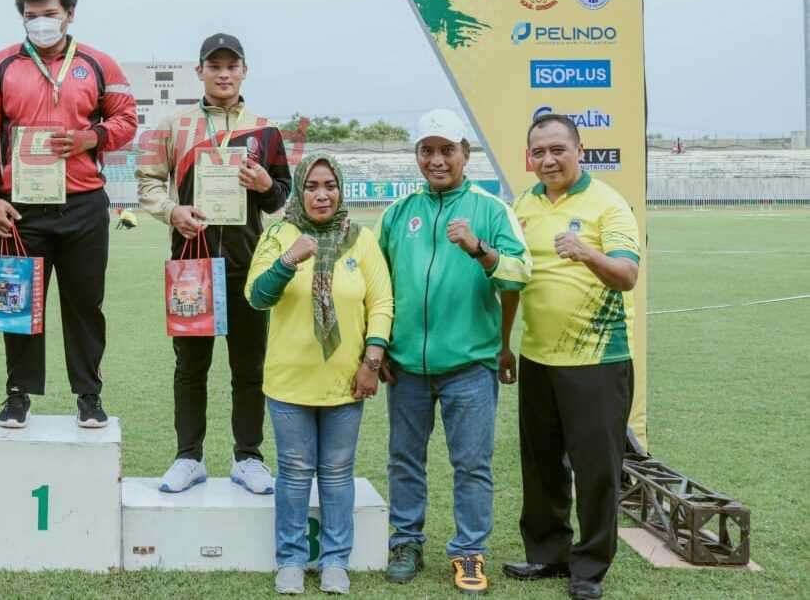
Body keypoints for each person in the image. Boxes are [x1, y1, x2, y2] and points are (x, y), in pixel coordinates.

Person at [0, 0, 138, 429]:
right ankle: (18, 394)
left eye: (50, 14)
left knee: (85, 304)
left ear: (69, 15)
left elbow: (127, 119)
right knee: (16, 301)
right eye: (31, 16)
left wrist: (91, 137)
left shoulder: (99, 64)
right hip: (18, 208)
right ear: (21, 18)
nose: (40, 23)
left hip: (83, 204)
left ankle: (89, 394)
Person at [376, 109, 531, 595]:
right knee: (404, 458)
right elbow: (376, 287)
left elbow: (518, 274)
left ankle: (469, 553)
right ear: (418, 156)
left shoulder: (490, 209)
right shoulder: (398, 213)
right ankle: (406, 542)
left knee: (472, 464)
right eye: (428, 150)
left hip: (469, 365)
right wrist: (378, 349)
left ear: (466, 153)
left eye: (447, 150)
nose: (437, 160)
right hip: (406, 367)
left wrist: (477, 247)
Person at [136, 33, 290, 496]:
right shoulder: (172, 124)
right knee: (191, 367)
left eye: (232, 65)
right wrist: (172, 212)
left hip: (249, 265)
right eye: (214, 65)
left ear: (244, 71)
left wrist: (264, 183)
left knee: (250, 367)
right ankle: (189, 457)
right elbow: (147, 183)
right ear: (199, 70)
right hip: (191, 264)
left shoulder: (265, 130)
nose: (224, 73)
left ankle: (249, 458)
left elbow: (282, 198)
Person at [502, 113, 640, 600]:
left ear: (579, 150)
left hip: (597, 363)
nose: (547, 159)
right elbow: (514, 278)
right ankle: (546, 554)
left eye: (557, 149)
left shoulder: (609, 204)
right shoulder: (524, 203)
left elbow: (626, 275)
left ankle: (590, 566)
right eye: (538, 152)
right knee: (541, 463)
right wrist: (504, 344)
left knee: (596, 468)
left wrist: (588, 254)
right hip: (538, 357)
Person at [247, 152, 392, 596]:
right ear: (298, 191)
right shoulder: (278, 235)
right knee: (293, 471)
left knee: (336, 471)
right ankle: (290, 559)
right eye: (311, 186)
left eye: (329, 185)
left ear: (341, 188)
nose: (322, 194)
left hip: (346, 380)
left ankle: (335, 561)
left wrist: (371, 362)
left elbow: (382, 305)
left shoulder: (361, 240)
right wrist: (288, 260)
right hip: (289, 381)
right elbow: (257, 297)